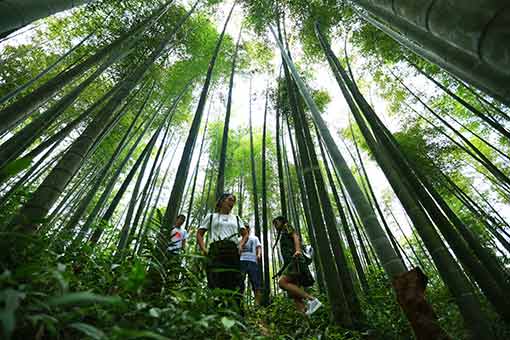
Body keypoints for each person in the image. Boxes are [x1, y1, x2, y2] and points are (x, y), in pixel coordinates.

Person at [197, 193, 248, 311]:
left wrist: (240, 245)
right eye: (230, 199)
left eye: (234, 201)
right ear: (222, 201)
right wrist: (204, 249)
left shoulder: (236, 218)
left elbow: (245, 234)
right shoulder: (210, 216)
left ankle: (235, 311)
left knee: (235, 280)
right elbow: (199, 233)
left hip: (232, 250)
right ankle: (216, 311)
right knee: (215, 279)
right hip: (215, 249)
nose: (232, 202)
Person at [273, 216, 322, 315]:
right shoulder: (283, 233)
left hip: (295, 260)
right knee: (295, 295)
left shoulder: (287, 226)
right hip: (291, 263)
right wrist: (280, 271)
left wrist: (298, 250)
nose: (275, 226)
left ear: (282, 221)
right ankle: (305, 317)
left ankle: (312, 300)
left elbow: (295, 236)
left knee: (282, 282)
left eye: (276, 223)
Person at [239, 223, 262, 304]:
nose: (246, 229)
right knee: (240, 282)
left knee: (256, 283)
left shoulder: (254, 238)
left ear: (249, 229)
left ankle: (257, 304)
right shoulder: (239, 239)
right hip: (241, 261)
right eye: (244, 228)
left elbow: (258, 247)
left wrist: (258, 254)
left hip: (252, 261)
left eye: (247, 228)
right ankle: (240, 303)